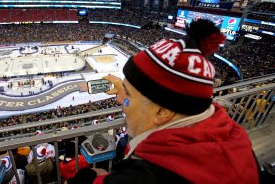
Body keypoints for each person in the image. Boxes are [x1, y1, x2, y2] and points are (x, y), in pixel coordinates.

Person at [69, 19, 259, 183]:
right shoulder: (229, 135)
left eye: (127, 94)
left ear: (161, 112)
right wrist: (127, 89)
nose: (121, 101)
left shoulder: (145, 177)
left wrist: (86, 179)